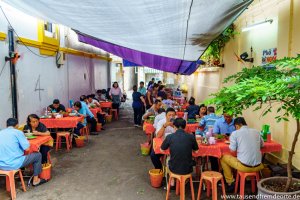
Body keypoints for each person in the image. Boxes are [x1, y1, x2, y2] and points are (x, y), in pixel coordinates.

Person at [221, 117, 264, 192]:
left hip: (245, 167)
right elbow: (262, 145)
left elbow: (232, 150)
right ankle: (248, 180)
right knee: (243, 158)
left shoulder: (235, 133)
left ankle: (230, 182)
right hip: (259, 166)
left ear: (237, 126)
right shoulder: (256, 131)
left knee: (223, 157)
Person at [0, 118, 46, 186]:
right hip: (13, 164)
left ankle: (19, 173)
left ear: (6, 125)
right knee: (38, 155)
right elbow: (27, 149)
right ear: (17, 125)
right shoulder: (18, 132)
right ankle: (36, 180)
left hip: (1, 164)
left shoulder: (1, 132)